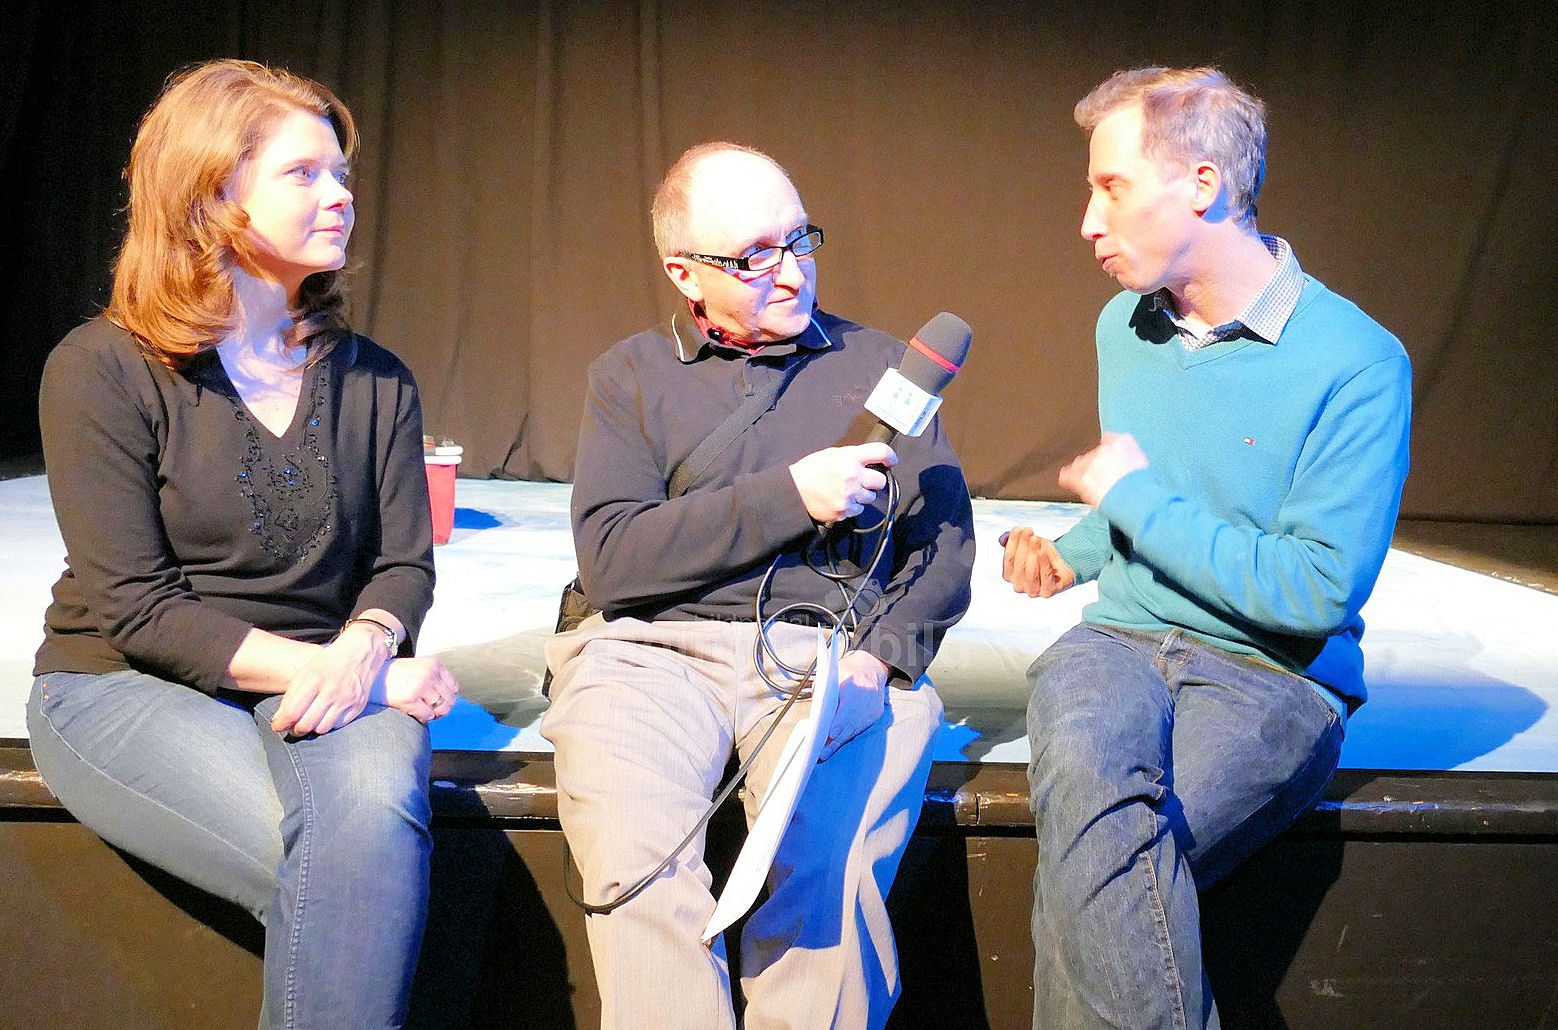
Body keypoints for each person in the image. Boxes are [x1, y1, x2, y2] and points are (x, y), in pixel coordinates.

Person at [27, 59, 458, 1028]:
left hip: (334, 677)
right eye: (304, 174)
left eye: (341, 174)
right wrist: (354, 674)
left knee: (364, 846)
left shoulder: (376, 378)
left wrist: (365, 647)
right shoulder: (101, 369)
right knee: (347, 880)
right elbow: (137, 609)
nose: (341, 196)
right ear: (210, 193)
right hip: (127, 682)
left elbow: (402, 564)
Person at [1002, 67, 1411, 1028]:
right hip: (1117, 644)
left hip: (1271, 675)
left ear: (1202, 184)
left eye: (1111, 187)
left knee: (1100, 866)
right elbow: (1163, 495)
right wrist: (1077, 552)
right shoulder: (1125, 326)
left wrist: (1132, 500)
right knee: (1104, 848)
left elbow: (1314, 590)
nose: (1087, 223)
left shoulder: (1358, 361)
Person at [544, 141, 975, 1029]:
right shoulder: (630, 374)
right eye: (753, 256)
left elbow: (945, 550)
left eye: (798, 239)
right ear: (685, 273)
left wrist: (882, 660)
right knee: (637, 866)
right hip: (650, 651)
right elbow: (613, 560)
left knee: (832, 880)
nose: (790, 270)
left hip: (832, 655)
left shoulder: (884, 369)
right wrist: (791, 497)